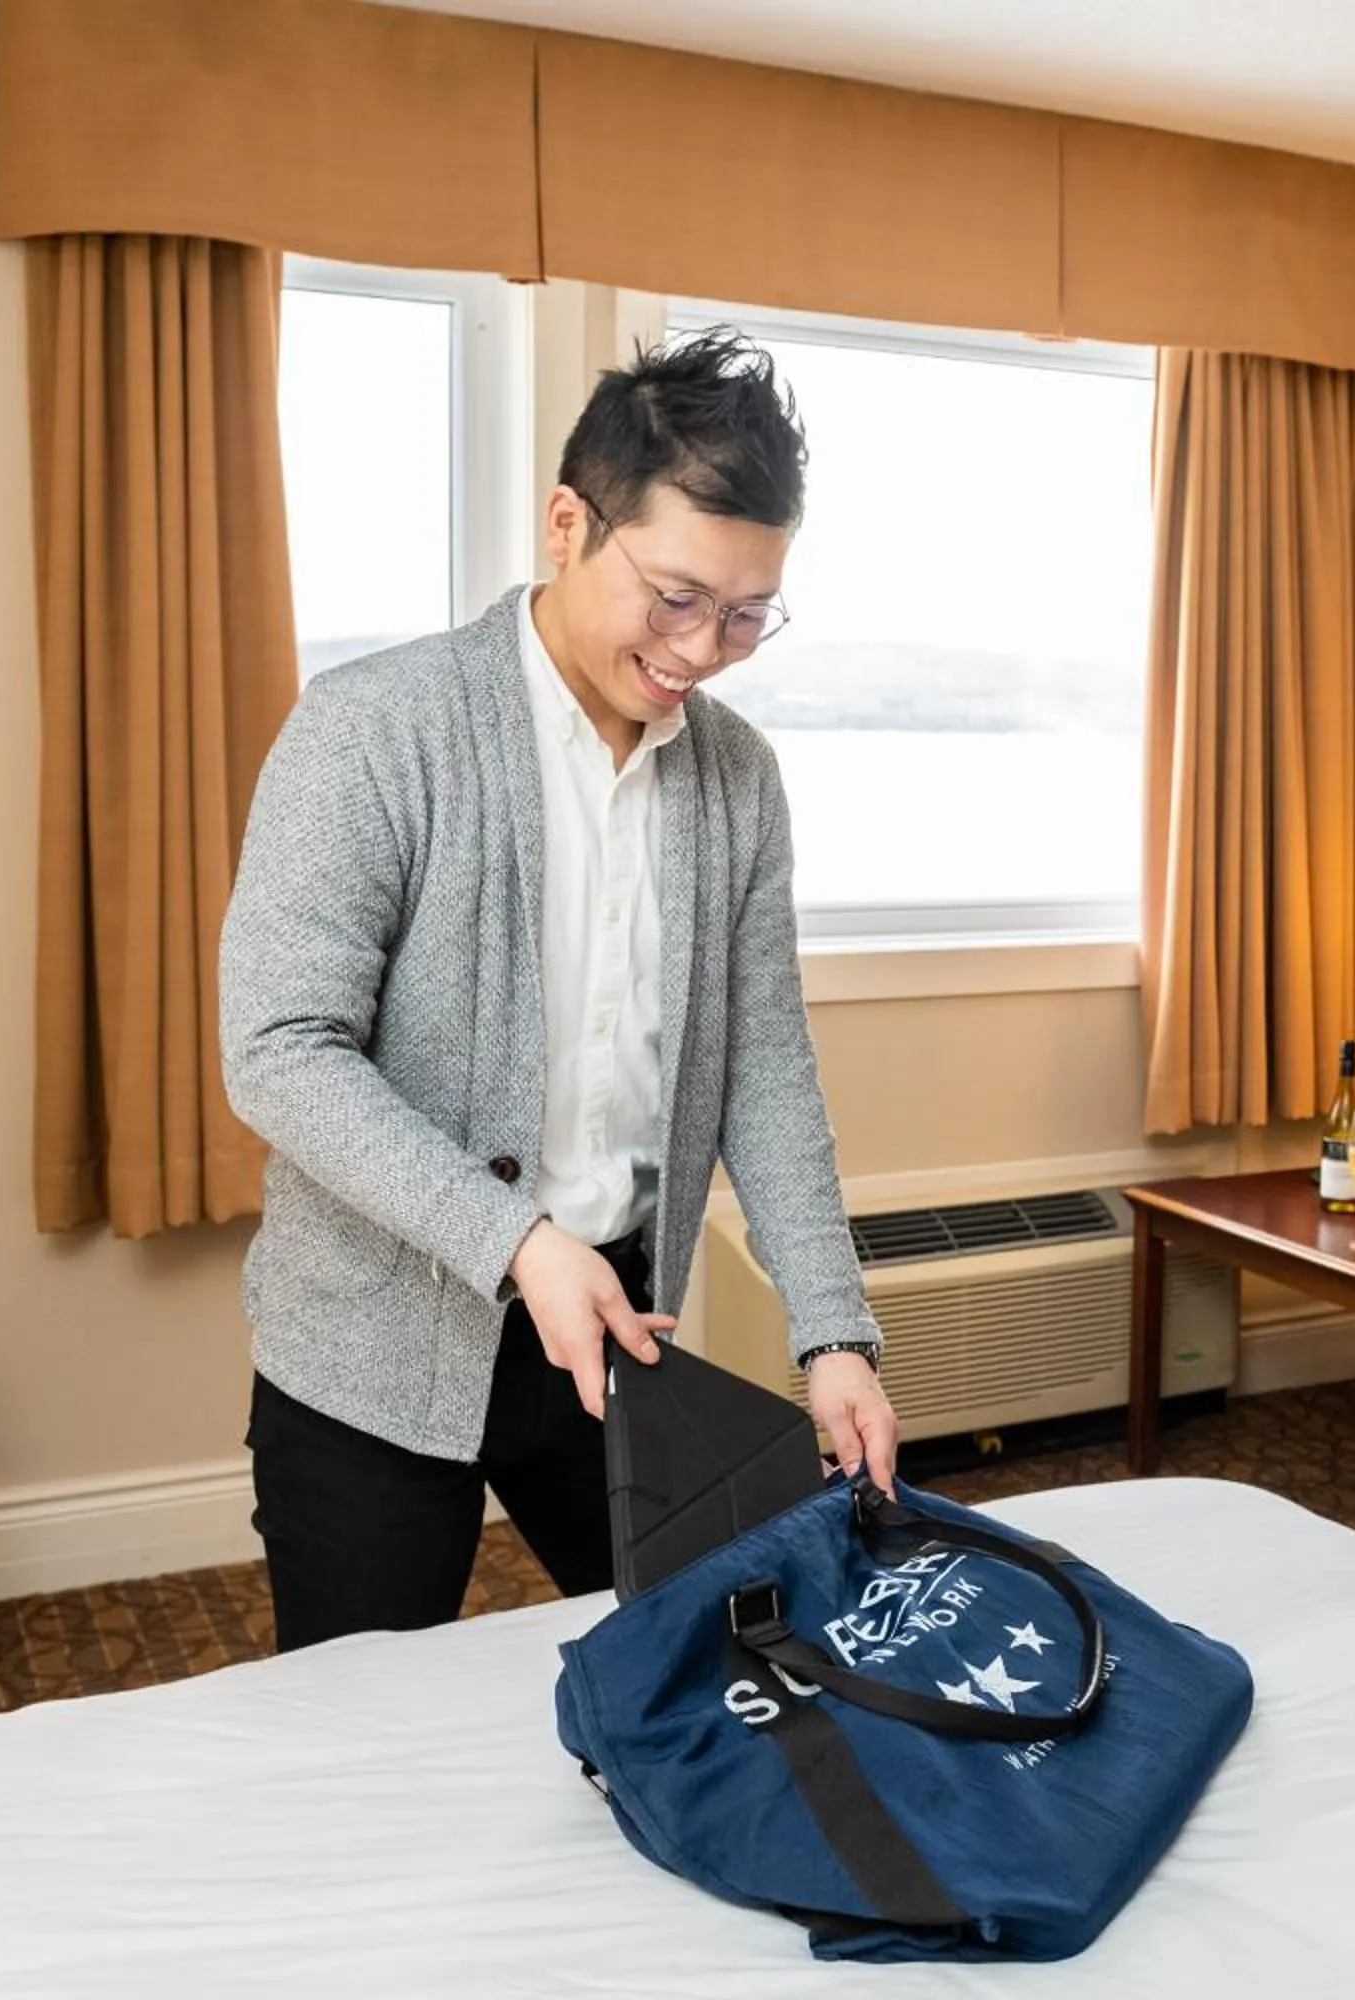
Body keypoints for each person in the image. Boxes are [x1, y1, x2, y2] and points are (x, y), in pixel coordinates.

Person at [218, 330, 898, 1651]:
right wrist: (515, 1241)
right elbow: (280, 1048)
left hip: (616, 1321)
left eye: (748, 612)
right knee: (370, 1724)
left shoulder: (739, 779)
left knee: (700, 1671)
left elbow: (764, 1068)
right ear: (568, 524)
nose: (704, 649)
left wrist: (834, 1334)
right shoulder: (372, 729)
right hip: (370, 1341)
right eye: (677, 596)